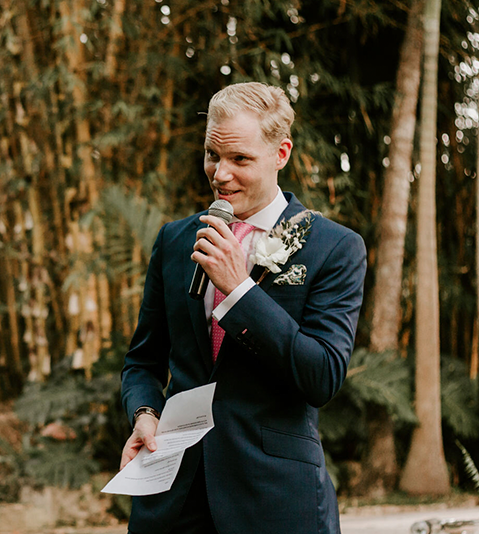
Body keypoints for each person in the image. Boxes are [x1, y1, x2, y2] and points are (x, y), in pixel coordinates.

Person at [119, 82, 366, 534]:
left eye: (240, 160)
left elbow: (322, 376)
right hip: (172, 499)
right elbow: (142, 360)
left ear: (281, 154)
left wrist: (239, 293)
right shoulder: (175, 241)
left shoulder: (335, 248)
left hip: (274, 498)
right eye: (213, 154)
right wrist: (144, 414)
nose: (220, 174)